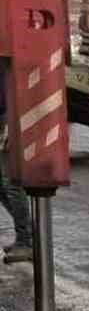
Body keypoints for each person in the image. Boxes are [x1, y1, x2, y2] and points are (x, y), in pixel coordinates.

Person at [0, 75, 33, 264]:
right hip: (5, 115)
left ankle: (26, 241)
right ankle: (28, 233)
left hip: (7, 116)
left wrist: (10, 123)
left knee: (10, 182)